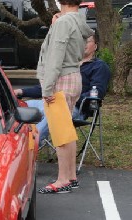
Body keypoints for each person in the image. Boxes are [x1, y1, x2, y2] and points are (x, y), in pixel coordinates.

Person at [34, 1, 93, 194]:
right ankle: (71, 177)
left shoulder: (63, 22)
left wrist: (48, 88)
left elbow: (55, 57)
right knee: (67, 130)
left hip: (60, 79)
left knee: (60, 133)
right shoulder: (77, 20)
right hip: (74, 76)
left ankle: (62, 180)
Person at [15, 31, 111, 147]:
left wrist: (70, 97)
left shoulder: (99, 67)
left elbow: (97, 93)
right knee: (16, 107)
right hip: (49, 101)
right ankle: (11, 144)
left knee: (54, 112)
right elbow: (46, 88)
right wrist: (21, 92)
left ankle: (29, 147)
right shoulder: (66, 65)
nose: (83, 44)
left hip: (74, 107)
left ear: (95, 46)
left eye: (87, 41)